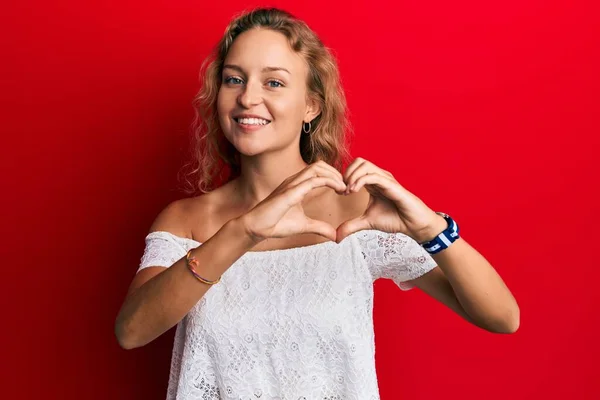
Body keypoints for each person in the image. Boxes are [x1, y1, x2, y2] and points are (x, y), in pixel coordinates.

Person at [115, 7, 519, 399]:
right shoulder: (186, 220)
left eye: (273, 83)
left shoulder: (358, 212)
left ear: (311, 105)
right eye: (233, 79)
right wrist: (244, 231)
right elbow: (132, 331)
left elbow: (502, 317)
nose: (247, 98)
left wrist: (431, 228)